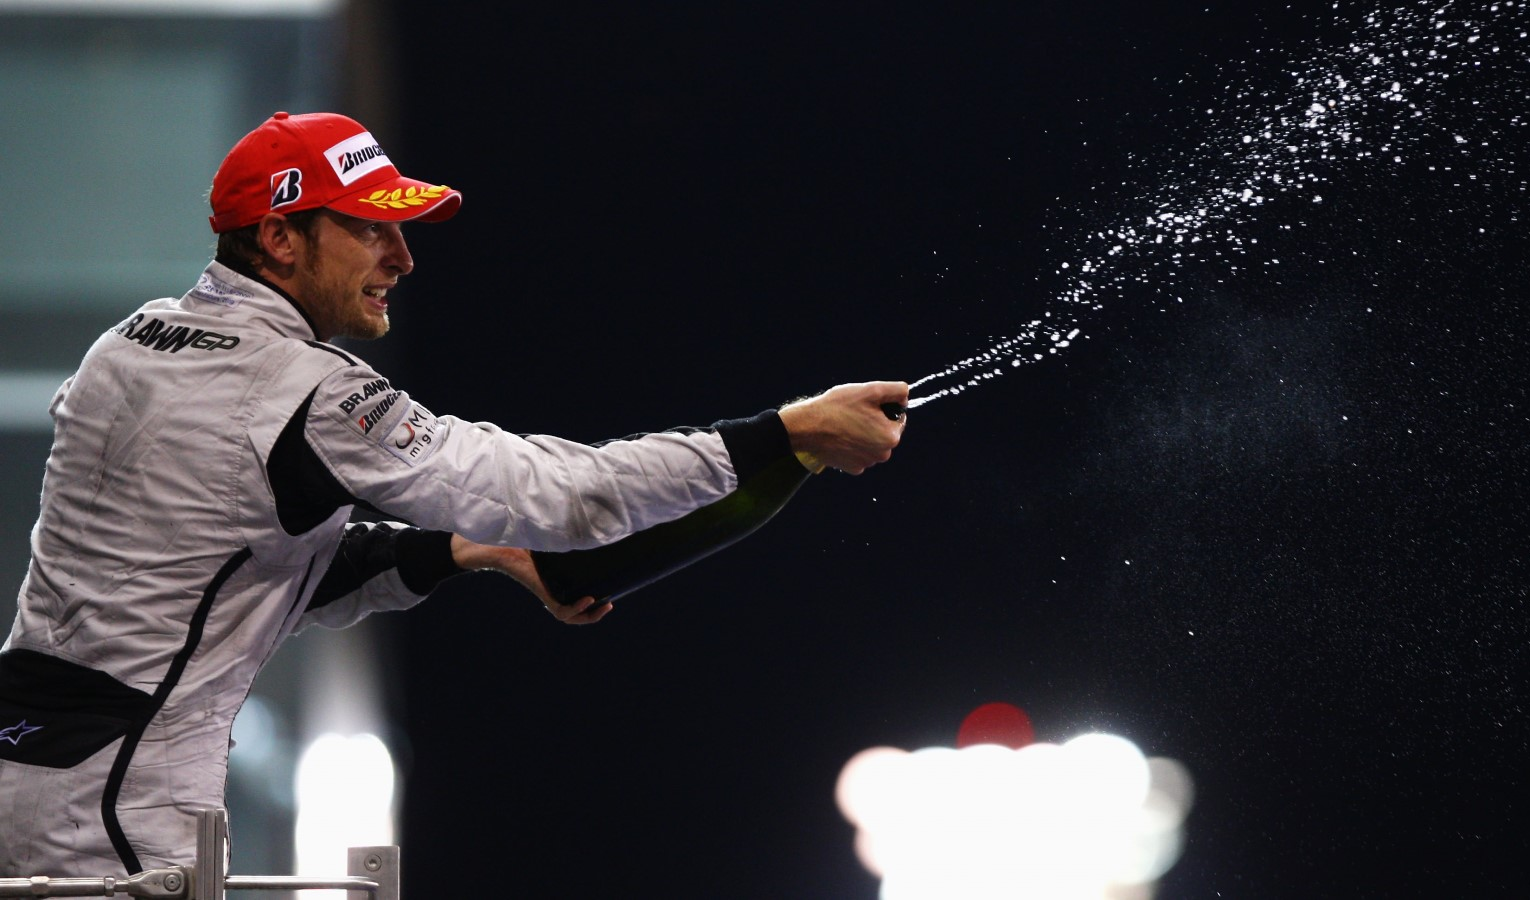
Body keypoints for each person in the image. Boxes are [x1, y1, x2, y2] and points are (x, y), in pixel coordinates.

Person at [0, 110, 907, 880]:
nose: (401, 256)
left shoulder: (126, 344)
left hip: (29, 769)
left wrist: (469, 551)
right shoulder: (309, 391)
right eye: (370, 229)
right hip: (123, 818)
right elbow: (567, 499)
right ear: (279, 238)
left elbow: (231, 572)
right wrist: (781, 435)